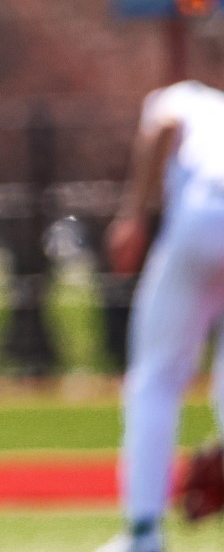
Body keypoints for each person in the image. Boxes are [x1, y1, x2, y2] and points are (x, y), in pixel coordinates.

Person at [99, 78, 224, 552]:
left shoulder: (180, 96)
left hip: (201, 219)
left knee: (155, 378)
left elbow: (165, 125)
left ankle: (144, 533)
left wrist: (133, 214)